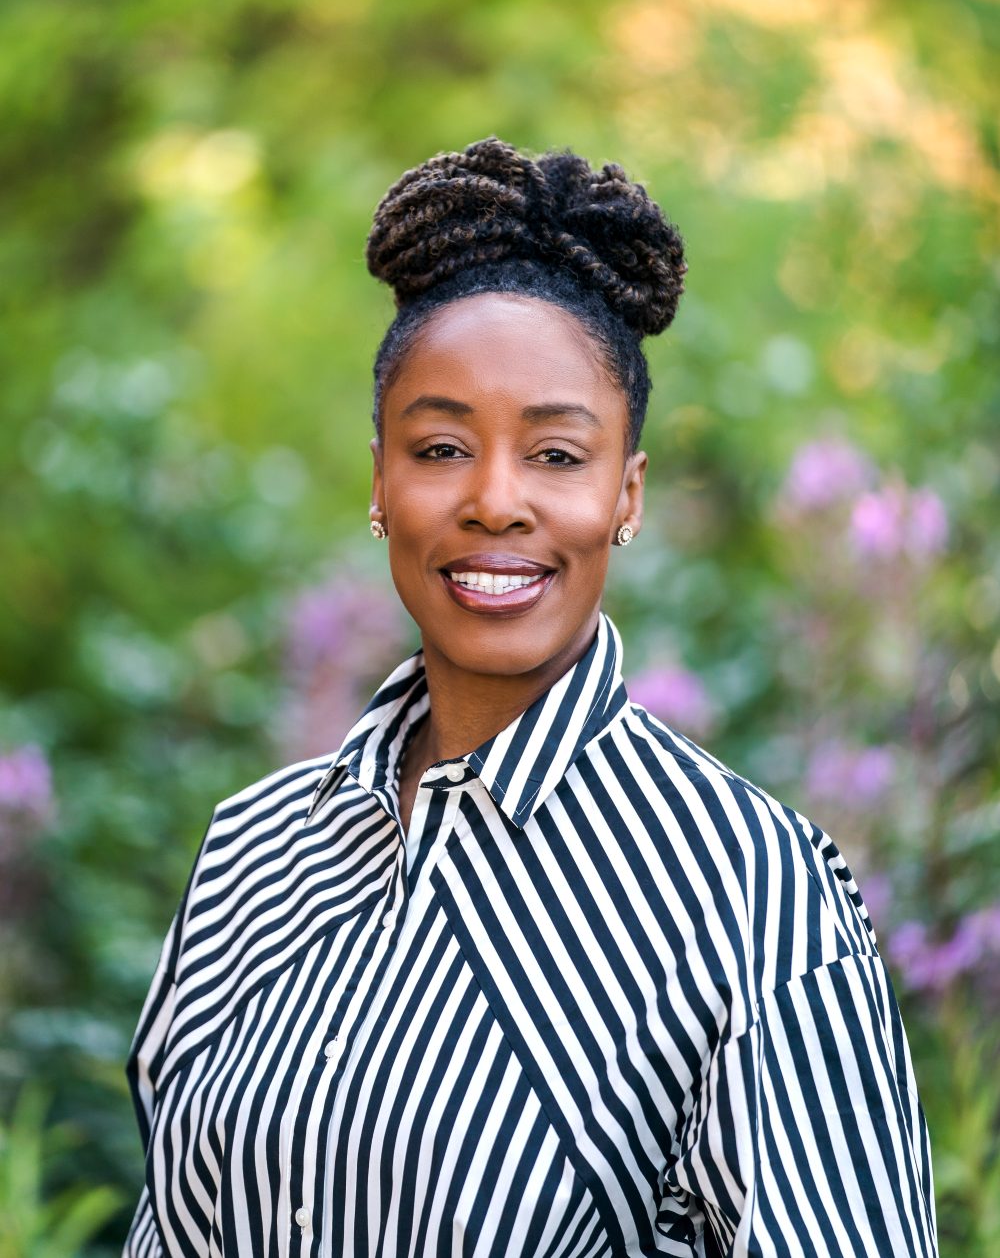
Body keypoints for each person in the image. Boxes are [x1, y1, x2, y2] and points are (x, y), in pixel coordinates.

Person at [123, 137, 938, 1257]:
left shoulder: (751, 896)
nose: (495, 502)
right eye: (442, 446)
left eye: (557, 456)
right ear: (379, 482)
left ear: (625, 494)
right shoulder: (253, 855)